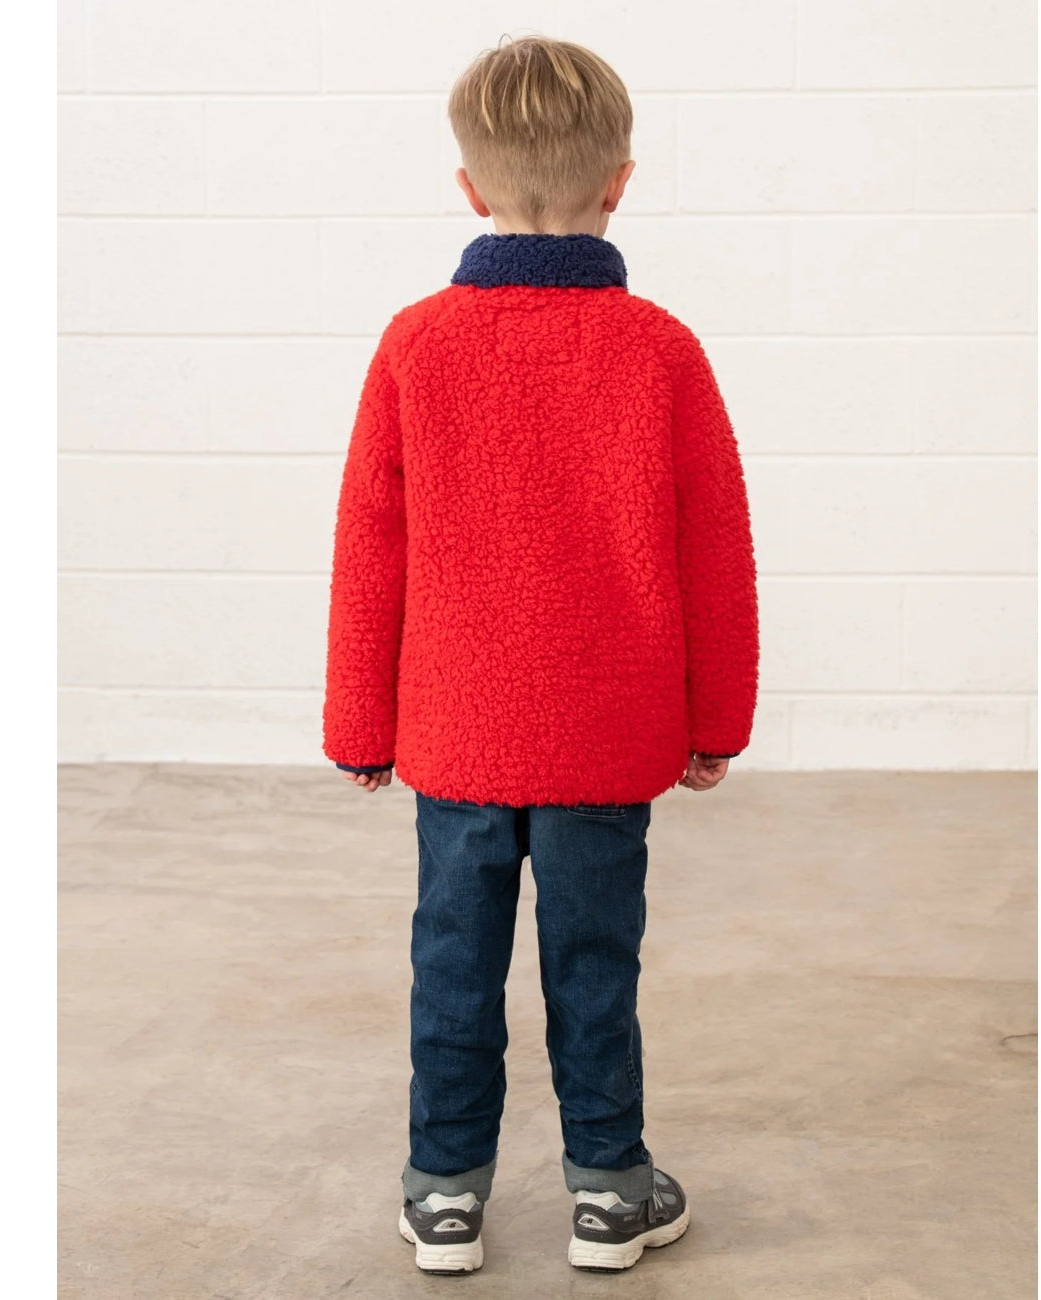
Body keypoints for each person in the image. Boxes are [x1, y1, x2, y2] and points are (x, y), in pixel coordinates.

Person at [322, 34, 759, 1275]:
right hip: (606, 734)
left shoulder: (417, 343)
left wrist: (362, 721)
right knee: (592, 961)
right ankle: (609, 1188)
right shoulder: (661, 349)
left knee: (451, 956)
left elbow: (371, 545)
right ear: (620, 179)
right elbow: (713, 550)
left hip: (456, 731)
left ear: (468, 186)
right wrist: (713, 718)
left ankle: (445, 1188)